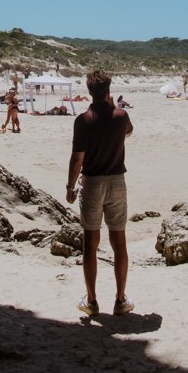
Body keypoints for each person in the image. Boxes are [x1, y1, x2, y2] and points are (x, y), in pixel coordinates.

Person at [66, 69, 134, 317]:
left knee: (90, 243)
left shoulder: (83, 120)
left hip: (92, 182)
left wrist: (70, 186)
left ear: (88, 91)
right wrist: (111, 104)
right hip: (117, 181)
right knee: (119, 241)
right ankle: (120, 299)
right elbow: (128, 131)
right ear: (108, 90)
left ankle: (92, 301)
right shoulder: (120, 115)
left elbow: (77, 158)